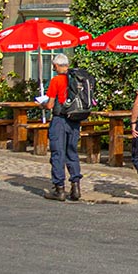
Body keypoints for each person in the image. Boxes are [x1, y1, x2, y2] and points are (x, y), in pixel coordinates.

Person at [38, 53, 87, 201]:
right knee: (72, 152)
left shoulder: (56, 80)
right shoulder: (78, 79)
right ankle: (75, 186)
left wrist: (42, 105)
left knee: (58, 153)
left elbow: (51, 104)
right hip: (75, 120)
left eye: (54, 66)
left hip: (60, 120)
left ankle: (59, 188)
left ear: (57, 66)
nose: (53, 68)